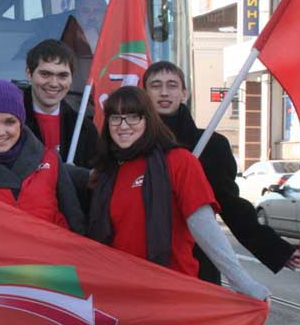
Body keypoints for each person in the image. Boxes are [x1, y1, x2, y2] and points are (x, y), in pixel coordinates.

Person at [87, 86, 269, 302]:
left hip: (171, 294)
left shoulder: (179, 161)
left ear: (148, 119)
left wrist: (244, 283)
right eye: (115, 118)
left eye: (133, 117)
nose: (123, 125)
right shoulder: (106, 172)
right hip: (121, 294)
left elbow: (206, 228)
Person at [142, 61, 300, 282]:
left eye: (172, 85)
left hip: (197, 259)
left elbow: (231, 205)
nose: (164, 92)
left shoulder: (210, 145)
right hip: (141, 259)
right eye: (155, 85)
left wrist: (277, 250)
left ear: (184, 94)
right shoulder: (132, 144)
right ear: (144, 93)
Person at [0, 80, 86, 233]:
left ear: (20, 122)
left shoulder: (49, 159)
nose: (0, 132)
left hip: (49, 247)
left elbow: (75, 221)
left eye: (9, 122)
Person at [23, 40, 97, 167]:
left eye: (62, 76)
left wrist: (78, 176)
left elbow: (95, 175)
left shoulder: (85, 129)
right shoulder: (9, 122)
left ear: (71, 78)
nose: (53, 83)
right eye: (45, 74)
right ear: (29, 74)